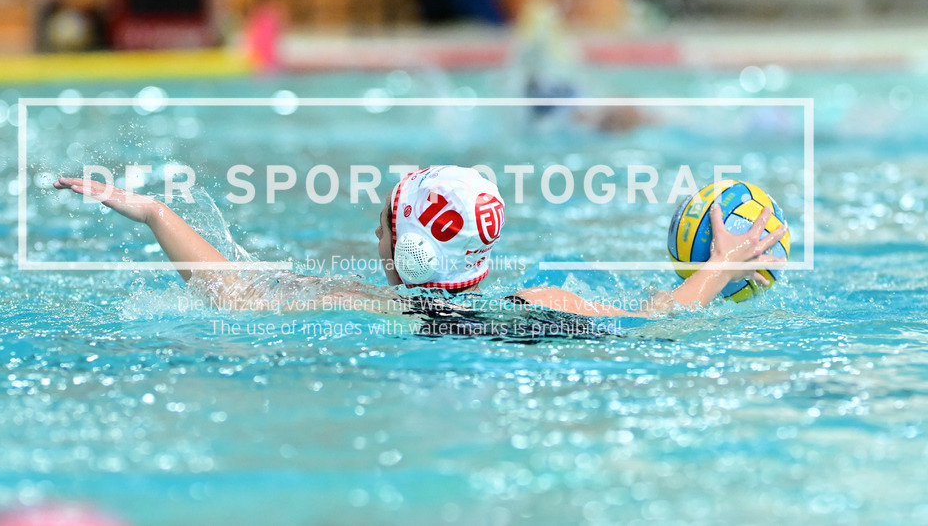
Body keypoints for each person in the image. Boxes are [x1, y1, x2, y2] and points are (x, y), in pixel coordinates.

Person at [53, 165, 786, 321]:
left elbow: (231, 291)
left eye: (385, 219)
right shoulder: (540, 302)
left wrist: (153, 214)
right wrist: (718, 268)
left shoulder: (364, 303)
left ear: (402, 250)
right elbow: (661, 318)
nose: (375, 227)